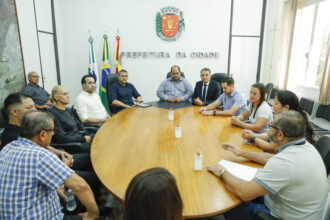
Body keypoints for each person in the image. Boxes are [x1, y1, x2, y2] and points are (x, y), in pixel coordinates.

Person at [207, 111, 329, 220]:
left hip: (282, 215)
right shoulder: (305, 146)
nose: (269, 130)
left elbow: (244, 193)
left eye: (271, 126)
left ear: (280, 135)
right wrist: (242, 153)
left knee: (230, 203)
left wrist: (222, 172)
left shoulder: (285, 163)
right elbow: (273, 158)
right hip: (304, 210)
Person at [0, 111, 99, 219]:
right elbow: (81, 187)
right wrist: (92, 216)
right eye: (53, 130)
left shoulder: (8, 148)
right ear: (43, 134)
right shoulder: (40, 155)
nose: (53, 133)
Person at [0, 93, 100, 197]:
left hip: (54, 162)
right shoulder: (12, 140)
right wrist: (63, 166)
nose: (35, 110)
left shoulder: (26, 126)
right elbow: (41, 172)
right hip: (51, 171)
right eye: (30, 107)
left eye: (34, 106)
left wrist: (60, 153)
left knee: (90, 158)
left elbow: (44, 145)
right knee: (94, 177)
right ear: (15, 112)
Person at [242, 90, 315, 152]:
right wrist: (253, 135)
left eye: (276, 103)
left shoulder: (289, 123)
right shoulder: (285, 117)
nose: (273, 106)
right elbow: (268, 135)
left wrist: (253, 138)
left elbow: (272, 148)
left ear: (286, 107)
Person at [49, 85, 92, 153]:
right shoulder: (53, 114)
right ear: (56, 97)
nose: (68, 96)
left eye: (68, 93)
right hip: (72, 146)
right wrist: (83, 139)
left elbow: (79, 124)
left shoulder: (68, 110)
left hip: (80, 139)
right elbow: (60, 137)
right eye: (64, 94)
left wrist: (86, 134)